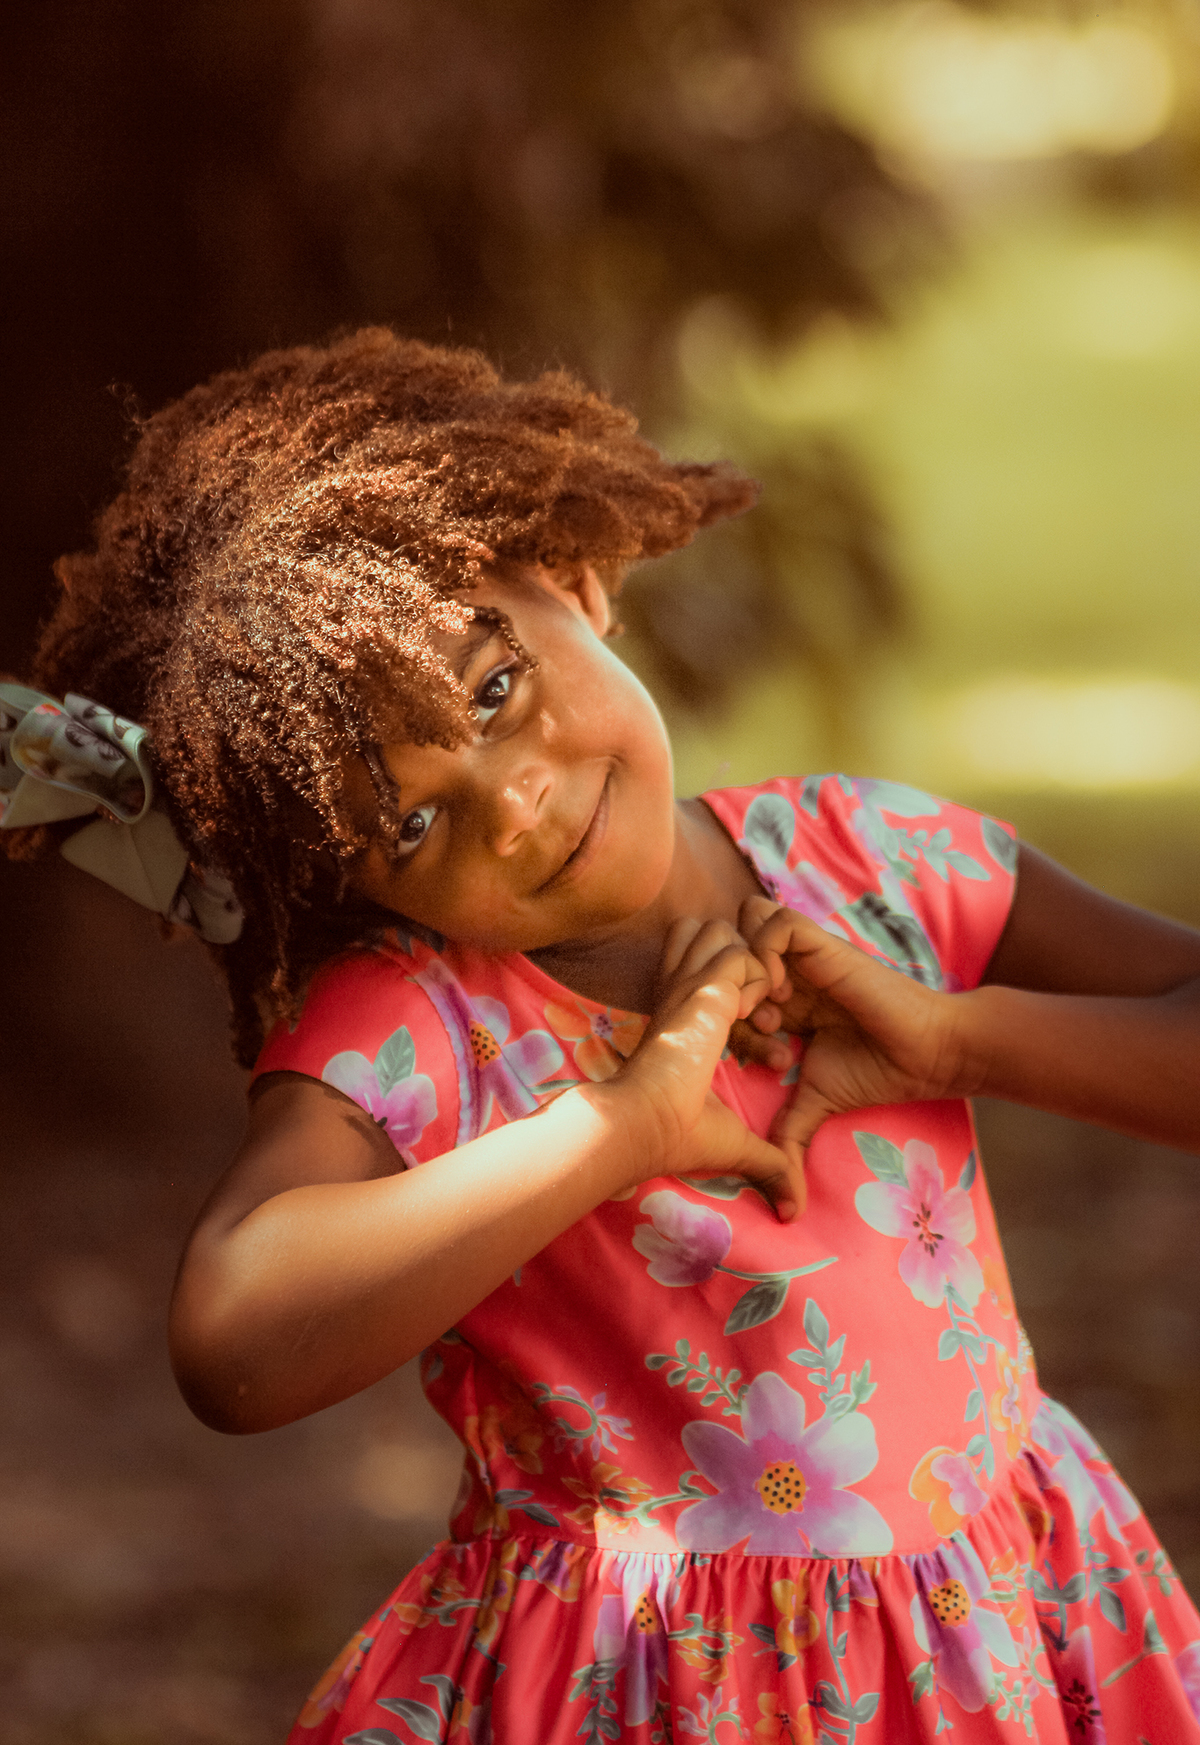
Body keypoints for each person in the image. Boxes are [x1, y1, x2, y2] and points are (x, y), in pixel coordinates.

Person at [4, 327, 1200, 1743]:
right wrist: (612, 1131)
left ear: (574, 580)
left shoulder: (874, 867)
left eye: (493, 692)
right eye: (411, 821)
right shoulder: (422, 1023)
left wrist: (954, 1042)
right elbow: (232, 1337)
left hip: (1003, 1627)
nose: (513, 804)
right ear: (353, 882)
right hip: (654, 1691)